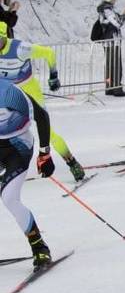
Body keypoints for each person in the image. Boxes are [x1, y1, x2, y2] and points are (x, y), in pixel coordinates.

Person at [0, 23, 85, 181]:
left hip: (30, 91)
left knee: (47, 131)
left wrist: (53, 76)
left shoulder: (20, 49)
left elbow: (49, 53)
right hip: (9, 94)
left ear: (5, 37)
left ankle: (72, 162)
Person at [0, 77, 56, 269]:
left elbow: (41, 116)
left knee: (9, 198)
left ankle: (39, 247)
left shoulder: (10, 94)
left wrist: (45, 153)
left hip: (18, 148)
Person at [95, 0, 125, 96]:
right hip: (112, 40)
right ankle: (116, 87)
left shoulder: (104, 10)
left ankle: (109, 86)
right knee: (115, 64)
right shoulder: (107, 10)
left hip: (108, 41)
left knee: (110, 64)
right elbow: (118, 23)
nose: (115, 0)